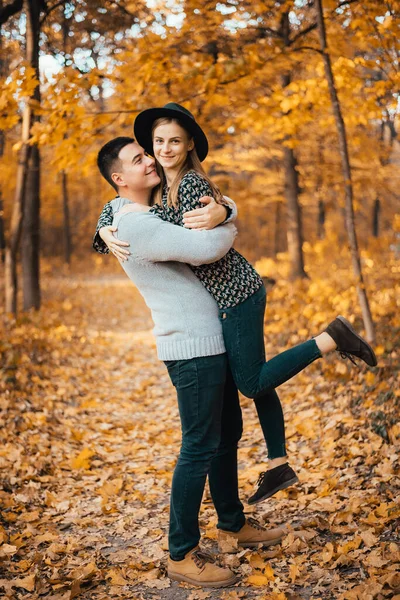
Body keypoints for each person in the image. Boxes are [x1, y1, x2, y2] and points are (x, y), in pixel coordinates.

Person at [93, 104, 378, 506]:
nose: (165, 149)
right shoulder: (160, 188)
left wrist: (226, 214)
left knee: (251, 380)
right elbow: (122, 201)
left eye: (175, 140)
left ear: (189, 143)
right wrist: (106, 223)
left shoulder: (190, 185)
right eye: (158, 142)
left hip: (236, 293)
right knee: (255, 374)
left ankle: (331, 338)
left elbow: (208, 242)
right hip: (224, 296)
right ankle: (278, 462)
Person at [96, 137, 285, 588]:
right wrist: (229, 221)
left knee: (225, 437)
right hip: (191, 348)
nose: (150, 160)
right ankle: (181, 553)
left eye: (148, 153)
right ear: (119, 178)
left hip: (207, 340)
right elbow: (207, 249)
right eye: (138, 158)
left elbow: (198, 220)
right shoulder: (137, 224)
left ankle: (233, 524)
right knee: (199, 446)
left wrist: (224, 207)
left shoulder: (134, 211)